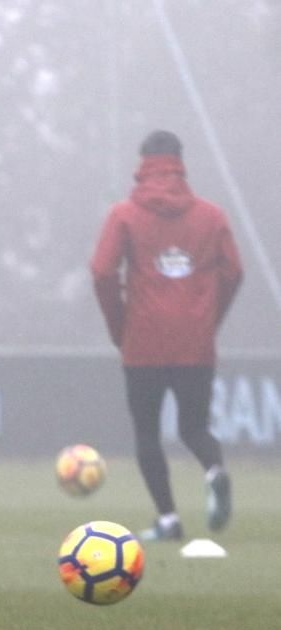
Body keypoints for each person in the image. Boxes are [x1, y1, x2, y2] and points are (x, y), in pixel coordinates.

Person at [91, 130, 243, 541]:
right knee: (194, 428)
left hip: (143, 343)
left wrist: (117, 325)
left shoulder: (124, 214)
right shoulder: (212, 216)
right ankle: (214, 470)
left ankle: (169, 520)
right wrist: (210, 318)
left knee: (146, 431)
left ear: (143, 163)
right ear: (180, 161)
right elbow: (234, 272)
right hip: (195, 343)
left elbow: (102, 272)